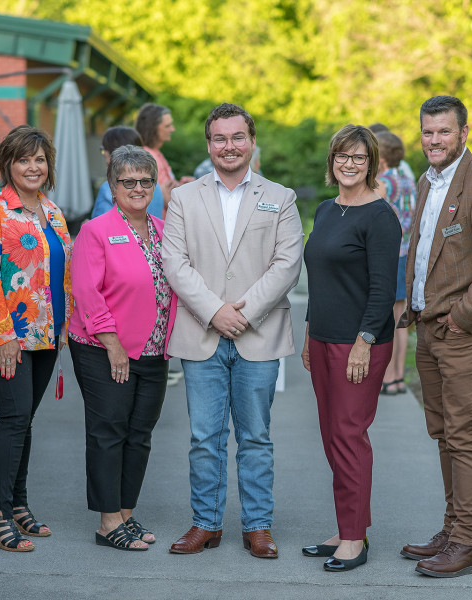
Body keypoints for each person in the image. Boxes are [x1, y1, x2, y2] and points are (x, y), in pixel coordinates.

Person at [162, 102, 303, 559]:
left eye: (237, 137)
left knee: (256, 437)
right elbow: (174, 263)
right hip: (201, 334)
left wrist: (244, 313)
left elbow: (287, 263)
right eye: (219, 138)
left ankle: (257, 526)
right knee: (204, 437)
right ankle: (206, 523)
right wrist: (213, 312)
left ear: (251, 140)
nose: (229, 146)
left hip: (257, 334)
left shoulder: (280, 197)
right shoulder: (183, 198)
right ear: (209, 144)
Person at [397, 96, 472, 577]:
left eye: (443, 132)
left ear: (464, 133)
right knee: (445, 434)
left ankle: (465, 544)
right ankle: (451, 530)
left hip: (465, 330)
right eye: (427, 132)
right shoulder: (429, 181)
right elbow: (428, 250)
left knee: (464, 436)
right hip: (431, 328)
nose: (434, 140)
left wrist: (463, 317)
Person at [301, 125, 401, 572]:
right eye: (342, 155)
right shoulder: (326, 210)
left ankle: (355, 539)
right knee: (331, 435)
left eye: (358, 158)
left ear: (371, 163)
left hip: (359, 344)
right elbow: (320, 282)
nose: (349, 164)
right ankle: (347, 527)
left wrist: (363, 342)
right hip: (322, 339)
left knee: (349, 435)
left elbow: (382, 291)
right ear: (331, 160)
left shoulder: (380, 216)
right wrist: (308, 334)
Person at [0, 125, 73, 552]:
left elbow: (62, 273)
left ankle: (18, 505)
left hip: (46, 334)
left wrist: (65, 323)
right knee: (13, 420)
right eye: (23, 159)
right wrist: (4, 334)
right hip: (7, 336)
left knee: (25, 421)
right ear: (8, 165)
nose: (33, 167)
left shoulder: (52, 212)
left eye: (39, 159)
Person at [70, 145, 177, 551]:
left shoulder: (164, 229)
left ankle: (126, 513)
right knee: (108, 431)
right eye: (127, 181)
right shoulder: (96, 231)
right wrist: (112, 345)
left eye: (145, 181)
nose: (137, 187)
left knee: (140, 433)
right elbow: (86, 291)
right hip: (104, 348)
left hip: (154, 350)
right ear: (112, 186)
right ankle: (107, 521)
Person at [374, 131, 416, 395]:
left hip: (388, 255)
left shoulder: (383, 182)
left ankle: (387, 377)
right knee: (400, 318)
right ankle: (398, 376)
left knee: (386, 318)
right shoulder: (408, 180)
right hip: (406, 253)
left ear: (382, 157)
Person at [89, 127, 164, 220]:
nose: (104, 153)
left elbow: (102, 227)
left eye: (103, 149)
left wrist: (88, 226)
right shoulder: (154, 185)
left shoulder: (109, 187)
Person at [134, 103, 194, 212]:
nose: (172, 129)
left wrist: (180, 186)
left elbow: (167, 190)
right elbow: (165, 198)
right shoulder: (147, 157)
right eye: (167, 126)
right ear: (153, 129)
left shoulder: (156, 153)